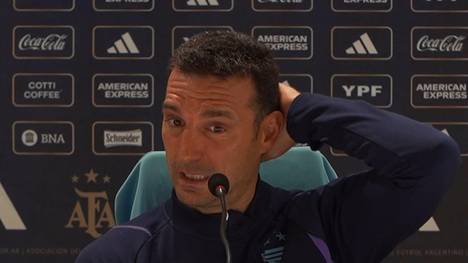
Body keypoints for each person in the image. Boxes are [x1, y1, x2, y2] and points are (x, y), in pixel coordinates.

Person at [76, 31, 461, 262]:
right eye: (176, 122)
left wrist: (302, 111)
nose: (187, 152)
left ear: (266, 132)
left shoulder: (323, 225)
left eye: (216, 127)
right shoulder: (118, 255)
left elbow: (431, 158)